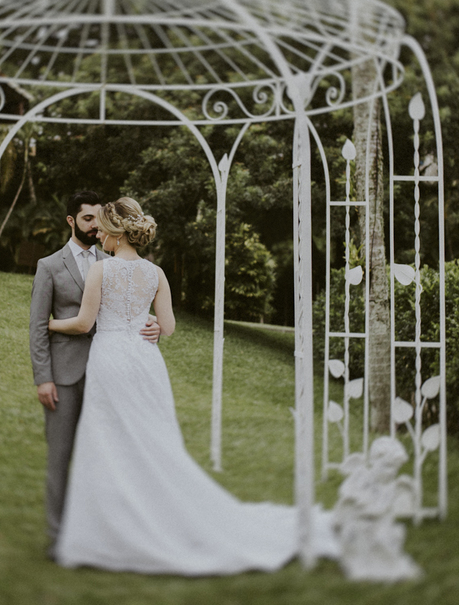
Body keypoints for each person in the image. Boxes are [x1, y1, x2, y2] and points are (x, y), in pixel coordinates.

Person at [47, 197, 339, 575]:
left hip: (112, 361)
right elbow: (167, 327)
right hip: (146, 361)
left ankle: (113, 530)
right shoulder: (156, 273)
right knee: (151, 440)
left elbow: (84, 323)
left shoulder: (101, 273)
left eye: (103, 227)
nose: (98, 233)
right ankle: (143, 516)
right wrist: (148, 321)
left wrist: (49, 323)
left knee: (109, 439)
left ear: (118, 233)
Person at [29, 191, 160, 556]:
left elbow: (129, 307)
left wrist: (152, 323)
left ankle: (102, 531)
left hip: (109, 372)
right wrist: (44, 377)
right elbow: (37, 327)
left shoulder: (113, 260)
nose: (94, 226)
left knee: (107, 454)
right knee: (61, 455)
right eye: (87, 219)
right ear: (72, 221)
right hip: (64, 375)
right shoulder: (49, 266)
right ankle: (58, 539)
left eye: (98, 221)